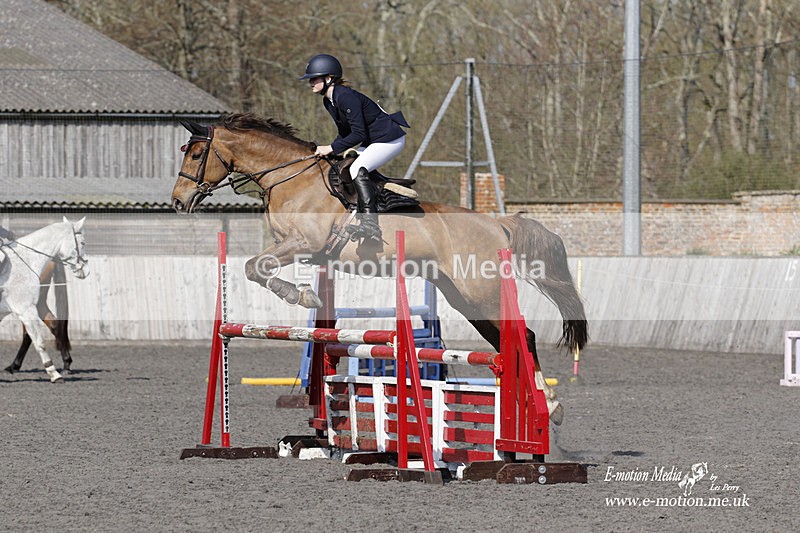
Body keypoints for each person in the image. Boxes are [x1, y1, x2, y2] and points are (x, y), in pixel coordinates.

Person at [300, 53, 409, 243]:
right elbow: (344, 133)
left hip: (389, 139)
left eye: (314, 78)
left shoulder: (345, 96)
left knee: (357, 169)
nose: (310, 82)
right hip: (373, 141)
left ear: (328, 78)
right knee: (341, 167)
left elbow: (358, 134)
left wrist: (331, 148)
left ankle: (371, 226)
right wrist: (329, 150)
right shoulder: (329, 101)